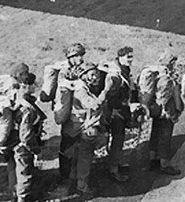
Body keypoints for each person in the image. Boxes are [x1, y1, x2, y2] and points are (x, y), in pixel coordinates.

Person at [54, 62, 107, 199]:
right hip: (83, 128)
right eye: (92, 74)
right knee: (85, 157)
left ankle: (73, 183)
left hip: (74, 127)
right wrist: (104, 93)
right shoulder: (81, 90)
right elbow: (92, 104)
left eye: (96, 74)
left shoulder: (78, 86)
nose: (96, 78)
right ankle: (82, 188)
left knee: (76, 156)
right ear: (84, 75)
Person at [3, 64, 45, 202]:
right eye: (33, 85)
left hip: (9, 141)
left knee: (12, 170)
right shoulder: (26, 108)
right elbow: (26, 135)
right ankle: (23, 198)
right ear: (26, 86)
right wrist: (36, 150)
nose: (35, 87)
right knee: (24, 174)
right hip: (21, 146)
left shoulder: (12, 95)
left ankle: (14, 195)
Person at [44, 43, 87, 179]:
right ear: (71, 57)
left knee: (79, 144)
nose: (80, 58)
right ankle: (66, 174)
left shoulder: (82, 68)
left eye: (81, 55)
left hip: (79, 112)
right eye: (77, 56)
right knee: (67, 143)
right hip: (68, 113)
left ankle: (75, 172)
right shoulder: (64, 72)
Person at [99, 46, 135, 182]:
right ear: (120, 57)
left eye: (131, 57)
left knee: (118, 139)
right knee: (117, 139)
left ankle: (115, 164)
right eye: (128, 57)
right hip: (115, 113)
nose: (131, 60)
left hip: (120, 111)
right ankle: (113, 170)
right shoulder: (114, 75)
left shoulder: (124, 70)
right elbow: (110, 96)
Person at [143, 51, 182, 176]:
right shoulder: (166, 78)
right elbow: (166, 98)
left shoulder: (155, 73)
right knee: (165, 138)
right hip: (166, 112)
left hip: (156, 110)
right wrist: (175, 113)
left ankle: (152, 160)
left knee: (155, 134)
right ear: (170, 63)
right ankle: (164, 164)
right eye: (173, 62)